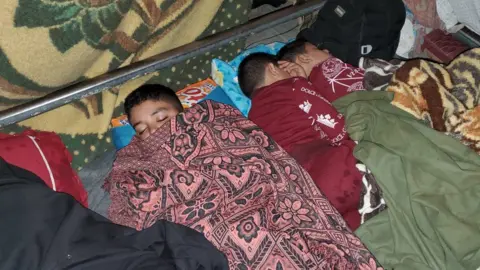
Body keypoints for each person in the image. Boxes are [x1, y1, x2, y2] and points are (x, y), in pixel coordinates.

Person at [238, 52, 362, 230]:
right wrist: (303, 81)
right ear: (272, 68)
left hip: (307, 202)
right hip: (334, 172)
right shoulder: (291, 85)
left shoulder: (249, 121)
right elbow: (338, 129)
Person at [277, 39, 365, 103]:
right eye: (318, 49)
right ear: (304, 58)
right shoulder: (328, 64)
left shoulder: (306, 90)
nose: (326, 50)